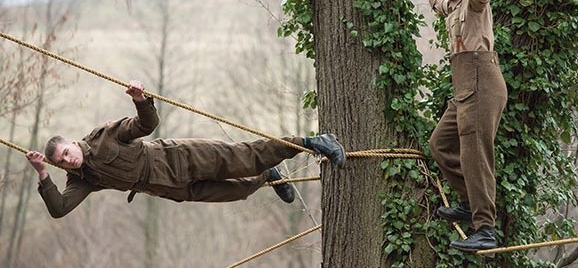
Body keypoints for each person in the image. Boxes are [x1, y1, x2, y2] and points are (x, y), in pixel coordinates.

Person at [26, 80, 346, 218]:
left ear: (71, 142)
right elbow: (59, 209)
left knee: (247, 157)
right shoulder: (82, 179)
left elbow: (146, 125)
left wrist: (140, 100)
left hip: (182, 157)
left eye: (67, 152)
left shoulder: (103, 137)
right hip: (175, 188)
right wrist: (42, 172)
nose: (69, 161)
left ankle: (314, 143)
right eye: (62, 163)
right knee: (239, 191)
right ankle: (268, 176)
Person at [413, 0, 507, 251]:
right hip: (463, 87)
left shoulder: (473, 0)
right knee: (440, 144)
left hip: (482, 81)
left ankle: (485, 228)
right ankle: (468, 202)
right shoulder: (451, 6)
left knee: (475, 156)